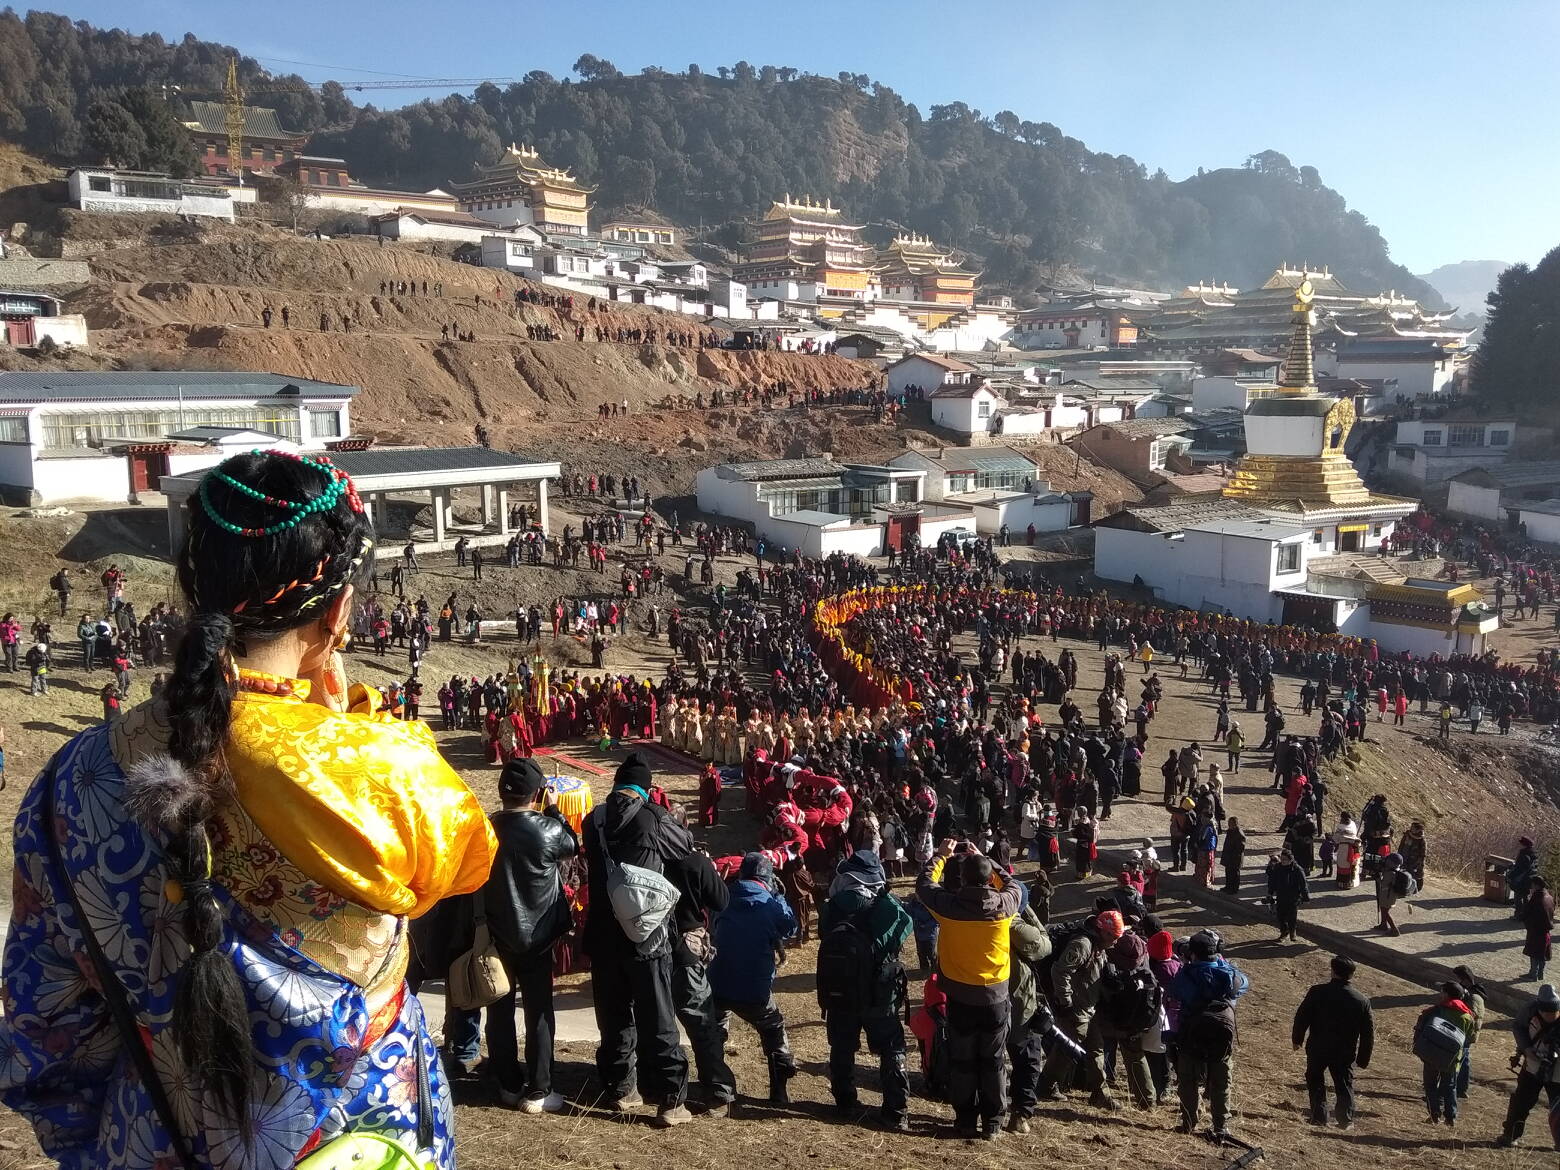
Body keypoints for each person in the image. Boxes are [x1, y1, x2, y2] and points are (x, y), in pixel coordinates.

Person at [0, 449, 497, 1168]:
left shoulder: (67, 780)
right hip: (363, 1145)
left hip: (148, 1142)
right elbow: (464, 859)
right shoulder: (376, 773)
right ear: (337, 613)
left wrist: (98, 1147)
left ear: (188, 587)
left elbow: (48, 1025)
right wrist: (342, 725)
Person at [581, 753, 696, 1127]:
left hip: (602, 932)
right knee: (658, 1014)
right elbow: (685, 847)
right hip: (647, 935)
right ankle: (669, 1100)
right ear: (645, 789)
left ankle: (620, 1089)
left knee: (612, 1015)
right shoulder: (655, 818)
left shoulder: (592, 820)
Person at [482, 758, 579, 1113]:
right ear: (537, 793)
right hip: (539, 935)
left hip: (497, 932)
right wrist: (555, 811)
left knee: (499, 1008)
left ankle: (507, 1082)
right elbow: (572, 845)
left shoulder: (488, 827)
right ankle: (539, 1090)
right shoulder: (547, 829)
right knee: (539, 1011)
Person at [916, 841, 1023, 1139]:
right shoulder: (1006, 905)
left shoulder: (949, 908)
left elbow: (924, 884)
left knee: (962, 1060)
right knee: (993, 1060)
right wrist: (985, 857)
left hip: (960, 996)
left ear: (962, 879)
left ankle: (964, 1119)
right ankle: (992, 1122)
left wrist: (941, 855)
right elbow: (1013, 883)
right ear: (990, 879)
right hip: (996, 997)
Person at [817, 849, 913, 1131]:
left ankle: (845, 1102)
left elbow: (825, 935)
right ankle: (896, 1111)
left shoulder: (832, 905)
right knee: (891, 1047)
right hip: (879, 993)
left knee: (842, 1044)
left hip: (841, 989)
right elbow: (904, 928)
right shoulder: (884, 906)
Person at [707, 853, 799, 1108]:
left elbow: (714, 926)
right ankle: (779, 1091)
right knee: (773, 1029)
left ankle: (717, 1087)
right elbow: (790, 928)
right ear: (768, 878)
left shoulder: (723, 896)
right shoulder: (770, 904)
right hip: (754, 986)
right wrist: (780, 896)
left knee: (715, 1031)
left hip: (718, 980)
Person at [1168, 929, 1250, 1140]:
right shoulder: (1228, 975)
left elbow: (1175, 992)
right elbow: (1244, 984)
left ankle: (1188, 1122)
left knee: (1188, 1081)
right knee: (1222, 1083)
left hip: (1191, 1036)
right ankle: (1221, 1126)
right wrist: (1223, 964)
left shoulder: (1186, 974)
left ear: (1192, 953)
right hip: (1221, 1038)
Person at [1292, 955, 1373, 1128]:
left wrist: (1297, 1039)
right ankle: (1345, 1119)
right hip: (1344, 1050)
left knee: (1315, 1079)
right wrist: (1363, 1058)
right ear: (1351, 974)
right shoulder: (1361, 1000)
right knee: (1344, 1083)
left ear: (1333, 971)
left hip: (1318, 1047)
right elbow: (1367, 1034)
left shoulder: (1317, 991)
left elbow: (1302, 1016)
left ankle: (1319, 1116)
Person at [1496, 981, 1560, 1149]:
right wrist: (1527, 1049)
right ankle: (1510, 1135)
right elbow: (1518, 1027)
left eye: (1553, 1012)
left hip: (1559, 1072)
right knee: (1521, 1102)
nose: (1550, 1015)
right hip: (1533, 1066)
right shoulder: (1529, 1010)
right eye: (1546, 1012)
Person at [1414, 982, 1474, 1128]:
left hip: (1432, 1054)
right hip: (1453, 1058)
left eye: (1442, 992)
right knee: (1450, 1085)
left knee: (1430, 1084)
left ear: (1447, 994)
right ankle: (1450, 1118)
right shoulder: (1468, 1016)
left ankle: (1434, 1115)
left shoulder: (1436, 1010)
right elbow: (1469, 1038)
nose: (1440, 994)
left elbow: (1421, 1027)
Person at [1266, 848, 1309, 941]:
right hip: (1281, 896)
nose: (1283, 861)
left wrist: (1305, 897)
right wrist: (1270, 893)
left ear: (1290, 860)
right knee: (1281, 916)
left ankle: (1293, 932)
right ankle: (1284, 932)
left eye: (1285, 859)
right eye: (1282, 859)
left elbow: (1303, 884)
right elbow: (1273, 881)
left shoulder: (1297, 870)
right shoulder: (1278, 867)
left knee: (1291, 916)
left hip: (1293, 897)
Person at [1521, 875, 1556, 981]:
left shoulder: (1537, 897)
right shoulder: (1549, 896)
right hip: (1546, 929)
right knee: (1542, 953)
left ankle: (1533, 975)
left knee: (1534, 953)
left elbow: (1527, 912)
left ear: (1536, 885)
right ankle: (1540, 973)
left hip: (1536, 929)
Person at [1376, 851, 1417, 937]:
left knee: (1385, 911)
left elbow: (1384, 883)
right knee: (1384, 910)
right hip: (1390, 895)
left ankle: (1394, 929)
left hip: (1387, 895)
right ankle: (1383, 925)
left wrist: (1378, 879)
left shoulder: (1390, 873)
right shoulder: (1396, 871)